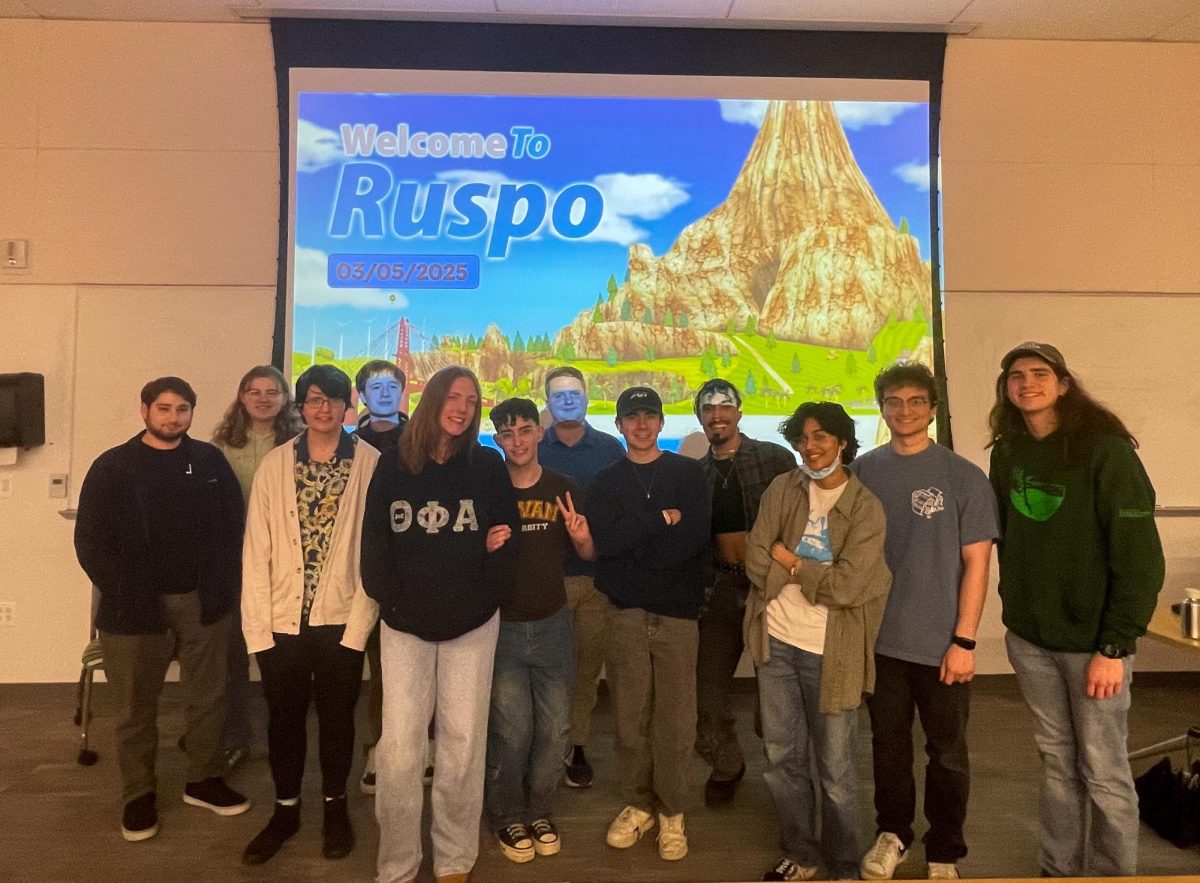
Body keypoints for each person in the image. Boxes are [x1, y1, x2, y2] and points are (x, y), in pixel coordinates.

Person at [987, 341, 1164, 877]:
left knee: (1104, 768)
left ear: (1064, 384)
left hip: (1095, 646)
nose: (1026, 383)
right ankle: (1058, 868)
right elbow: (1003, 535)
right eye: (1016, 376)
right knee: (1057, 762)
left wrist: (1116, 644)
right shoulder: (1008, 453)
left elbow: (1139, 559)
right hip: (1030, 639)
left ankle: (1113, 874)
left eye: (1039, 373)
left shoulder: (1106, 451)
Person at [74, 376, 250, 842]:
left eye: (183, 410)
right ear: (145, 411)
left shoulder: (209, 461)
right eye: (165, 409)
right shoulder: (113, 467)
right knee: (134, 707)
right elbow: (89, 541)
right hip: (133, 609)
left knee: (208, 697)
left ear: (192, 413)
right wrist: (123, 588)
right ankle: (138, 794)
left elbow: (234, 529)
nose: (174, 418)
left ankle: (204, 780)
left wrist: (224, 584)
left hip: (202, 601)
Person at [361, 365, 519, 883]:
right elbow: (375, 547)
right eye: (454, 398)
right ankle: (399, 863)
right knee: (401, 749)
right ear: (432, 401)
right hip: (405, 626)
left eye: (472, 402)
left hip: (472, 625)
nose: (462, 408)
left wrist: (486, 592)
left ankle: (454, 859)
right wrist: (394, 604)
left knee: (463, 746)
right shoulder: (392, 464)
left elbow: (505, 539)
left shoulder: (488, 466)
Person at [851, 362, 999, 880]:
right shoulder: (864, 472)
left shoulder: (963, 476)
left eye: (917, 401)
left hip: (943, 645)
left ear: (932, 410)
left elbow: (978, 562)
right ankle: (892, 836)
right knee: (888, 748)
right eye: (895, 401)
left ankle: (944, 850)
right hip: (880, 641)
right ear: (882, 408)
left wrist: (964, 640)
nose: (905, 410)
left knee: (947, 754)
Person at [239, 364, 380, 864]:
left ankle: (334, 807)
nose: (324, 409)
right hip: (282, 623)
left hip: (342, 620)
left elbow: (375, 555)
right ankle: (285, 809)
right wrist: (258, 631)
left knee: (339, 720)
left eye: (334, 400)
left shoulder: (371, 464)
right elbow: (256, 551)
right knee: (284, 721)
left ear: (349, 407)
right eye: (314, 399)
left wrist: (359, 628)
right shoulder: (276, 464)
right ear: (301, 406)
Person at [745, 401, 891, 882]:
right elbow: (755, 559)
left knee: (836, 769)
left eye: (821, 437)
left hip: (832, 652)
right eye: (803, 438)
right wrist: (808, 571)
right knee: (782, 759)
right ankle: (802, 854)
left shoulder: (865, 507)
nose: (810, 447)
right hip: (777, 642)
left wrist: (790, 563)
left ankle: (844, 864)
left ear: (843, 442)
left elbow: (849, 588)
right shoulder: (781, 488)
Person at [588, 386, 709, 862]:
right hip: (626, 612)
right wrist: (661, 520)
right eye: (631, 417)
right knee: (630, 719)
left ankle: (672, 812)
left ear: (661, 423)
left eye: (649, 416)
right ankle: (638, 804)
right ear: (618, 425)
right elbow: (609, 541)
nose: (641, 424)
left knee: (678, 722)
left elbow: (694, 536)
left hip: (678, 613)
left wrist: (641, 535)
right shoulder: (603, 481)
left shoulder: (687, 473)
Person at [485, 397, 595, 864]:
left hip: (554, 625)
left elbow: (588, 554)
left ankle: (539, 809)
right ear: (497, 440)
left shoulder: (563, 487)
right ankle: (507, 814)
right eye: (507, 434)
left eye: (525, 430)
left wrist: (581, 537)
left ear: (538, 433)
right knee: (513, 732)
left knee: (555, 731)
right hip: (504, 629)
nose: (517, 441)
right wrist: (483, 546)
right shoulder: (488, 491)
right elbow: (465, 559)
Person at [692, 378, 795, 806]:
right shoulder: (695, 474)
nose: (717, 414)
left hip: (769, 590)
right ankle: (727, 764)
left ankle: (788, 776)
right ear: (700, 417)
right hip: (719, 587)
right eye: (708, 408)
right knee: (706, 693)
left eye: (724, 406)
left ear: (739, 411)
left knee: (776, 695)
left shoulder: (774, 458)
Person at [536, 365, 625, 788]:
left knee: (587, 671)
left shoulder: (611, 448)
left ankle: (579, 746)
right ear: (548, 403)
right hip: (545, 579)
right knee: (549, 671)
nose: (567, 400)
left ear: (587, 396)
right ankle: (544, 746)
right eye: (558, 395)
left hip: (596, 581)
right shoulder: (533, 447)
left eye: (574, 393)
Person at [211, 364, 303, 771]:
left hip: (286, 564)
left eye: (273, 391)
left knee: (283, 658)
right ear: (242, 397)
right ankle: (234, 737)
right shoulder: (220, 447)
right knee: (231, 657)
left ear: (285, 399)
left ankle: (284, 737)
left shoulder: (302, 444)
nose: (263, 398)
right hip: (233, 564)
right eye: (254, 391)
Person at [349, 359, 414, 795]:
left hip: (416, 569)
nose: (385, 394)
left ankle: (419, 748)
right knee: (379, 670)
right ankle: (378, 748)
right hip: (360, 572)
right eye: (376, 387)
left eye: (393, 386)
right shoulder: (347, 445)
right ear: (361, 396)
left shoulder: (423, 441)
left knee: (415, 668)